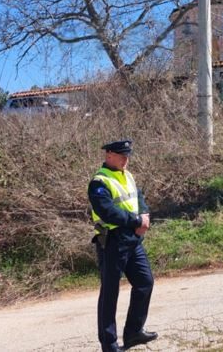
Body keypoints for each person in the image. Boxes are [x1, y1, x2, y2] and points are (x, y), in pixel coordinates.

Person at [88, 139, 158, 352]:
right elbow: (107, 210)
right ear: (109, 155)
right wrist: (136, 221)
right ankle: (109, 345)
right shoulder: (99, 182)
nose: (125, 159)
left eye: (127, 155)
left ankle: (134, 332)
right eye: (121, 155)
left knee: (145, 282)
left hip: (132, 241)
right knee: (110, 293)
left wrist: (144, 214)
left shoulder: (128, 175)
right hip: (111, 242)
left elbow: (139, 197)